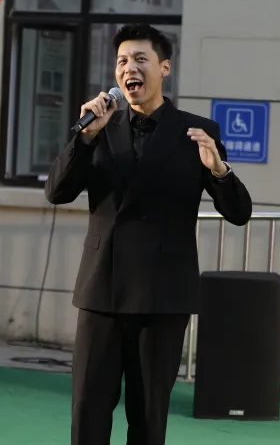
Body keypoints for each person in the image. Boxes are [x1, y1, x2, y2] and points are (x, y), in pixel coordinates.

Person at [44, 24, 253, 445]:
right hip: (101, 292)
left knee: (147, 416)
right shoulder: (98, 128)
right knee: (87, 410)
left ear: (164, 68)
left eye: (140, 59)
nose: (129, 68)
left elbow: (239, 213)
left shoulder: (197, 132)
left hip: (162, 296)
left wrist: (218, 170)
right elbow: (57, 192)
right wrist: (84, 138)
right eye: (122, 61)